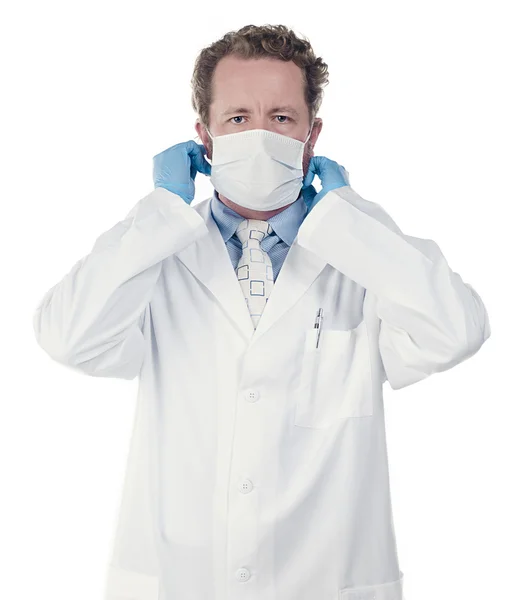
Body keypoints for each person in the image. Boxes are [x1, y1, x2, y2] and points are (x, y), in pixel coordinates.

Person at [32, 23, 491, 600]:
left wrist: (350, 216)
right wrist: (160, 211)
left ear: (311, 134)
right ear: (205, 136)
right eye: (237, 119)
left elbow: (457, 330)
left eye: (281, 118)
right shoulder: (158, 252)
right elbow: (67, 337)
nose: (259, 135)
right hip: (181, 580)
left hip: (327, 580)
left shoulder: (359, 257)